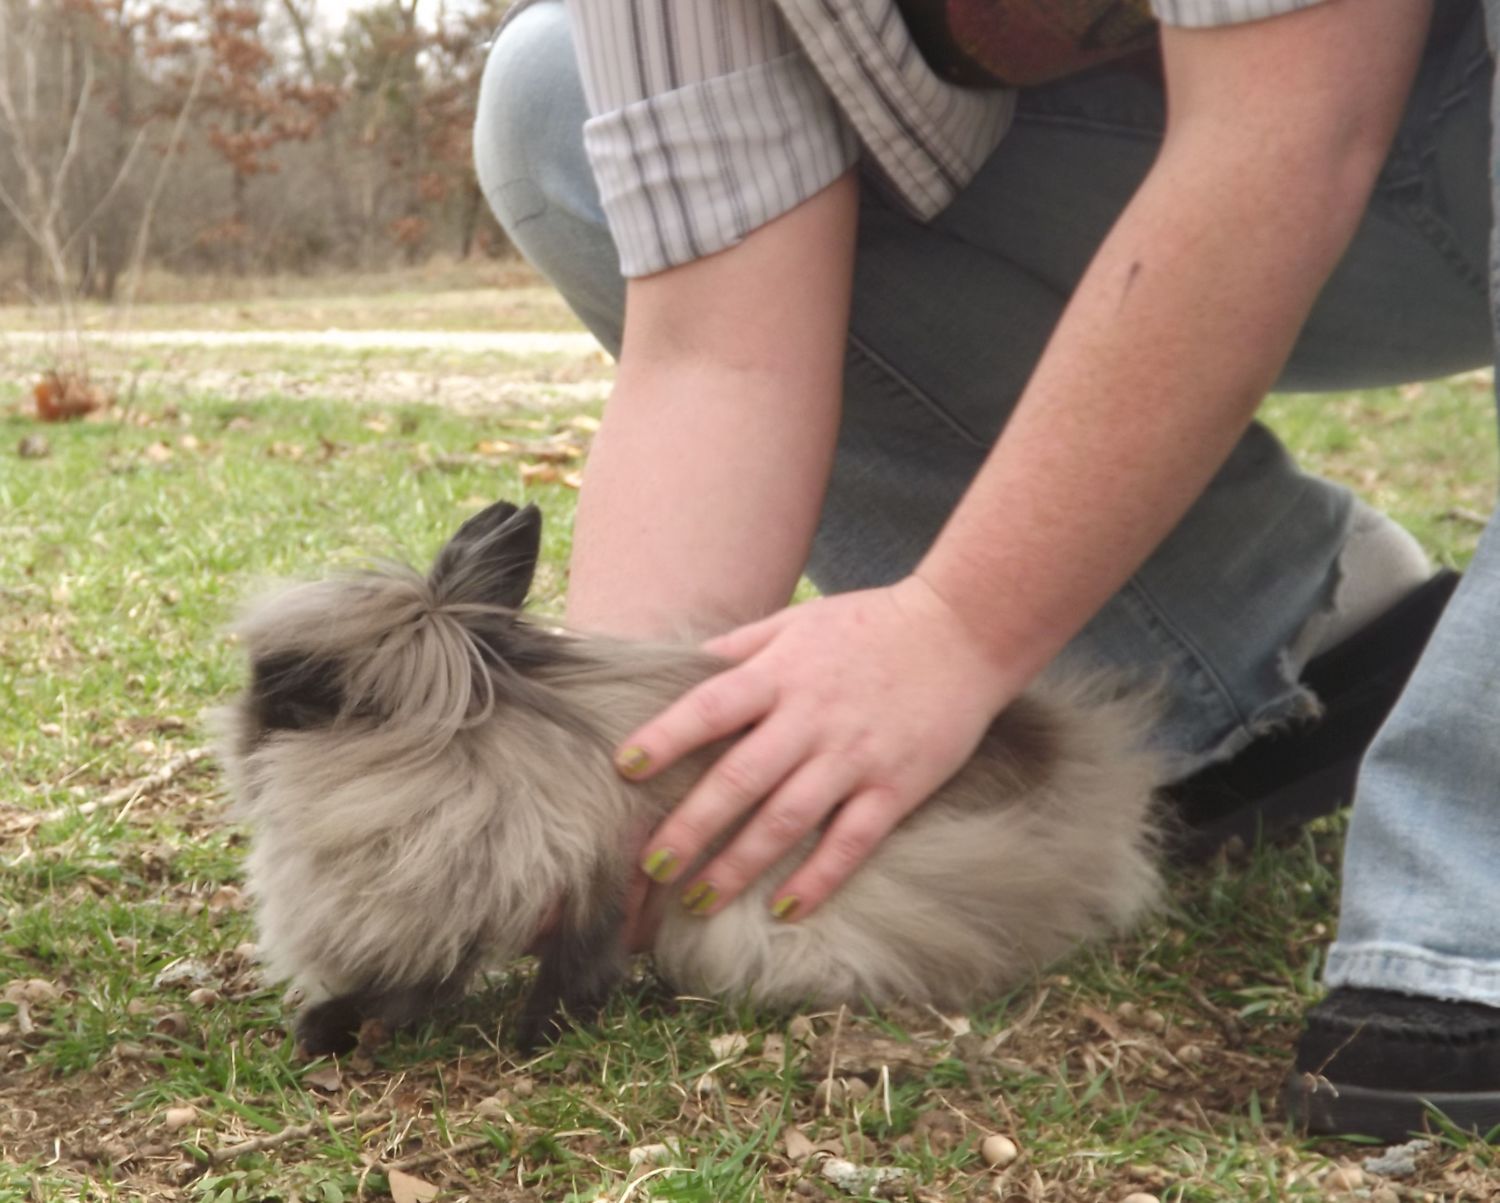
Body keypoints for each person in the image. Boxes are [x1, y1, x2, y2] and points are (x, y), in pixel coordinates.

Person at [473, 0, 1500, 1139]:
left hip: (1392, 101)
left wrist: (956, 625)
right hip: (1227, 168)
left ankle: (1469, 902)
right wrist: (624, 771)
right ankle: (1272, 629)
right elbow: (721, 347)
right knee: (560, 93)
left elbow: (1292, 120)